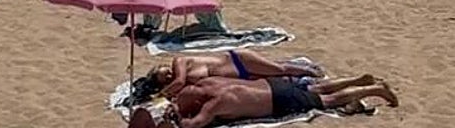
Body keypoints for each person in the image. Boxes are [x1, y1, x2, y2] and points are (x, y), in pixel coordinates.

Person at [130, 74, 397, 128]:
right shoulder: (208, 84)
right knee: (316, 88)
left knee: (329, 100)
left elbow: (195, 124)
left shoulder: (214, 102)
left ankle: (375, 90)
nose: (177, 100)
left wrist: (174, 119)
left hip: (278, 99)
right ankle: (359, 79)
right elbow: (187, 97)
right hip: (271, 86)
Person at [139, 52, 321, 102]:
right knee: (274, 80)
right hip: (239, 77)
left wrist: (158, 96)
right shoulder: (182, 84)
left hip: (238, 61)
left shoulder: (180, 62)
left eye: (166, 71)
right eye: (166, 78)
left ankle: (310, 71)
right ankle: (305, 79)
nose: (170, 74)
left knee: (279, 69)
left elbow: (178, 81)